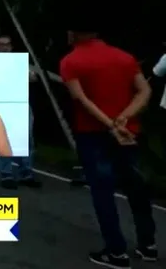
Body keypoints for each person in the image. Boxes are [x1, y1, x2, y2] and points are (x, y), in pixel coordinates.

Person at [59, 23, 157, 267]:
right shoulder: (124, 57)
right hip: (129, 132)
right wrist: (124, 117)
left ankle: (116, 252)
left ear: (74, 33)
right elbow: (144, 91)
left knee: (103, 192)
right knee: (137, 188)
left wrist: (110, 124)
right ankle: (148, 245)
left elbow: (82, 99)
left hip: (93, 134)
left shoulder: (71, 61)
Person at [0, 35, 42, 189]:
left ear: (11, 47)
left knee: (26, 139)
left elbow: (33, 77)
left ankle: (26, 172)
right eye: (1, 45)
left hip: (22, 105)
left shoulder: (19, 63)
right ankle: (6, 174)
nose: (4, 48)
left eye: (7, 45)